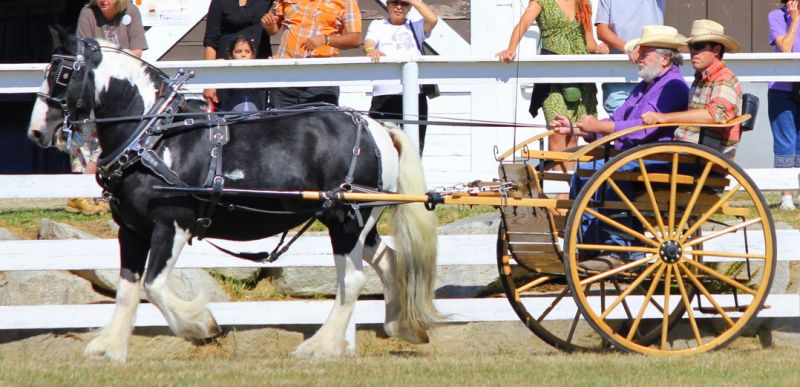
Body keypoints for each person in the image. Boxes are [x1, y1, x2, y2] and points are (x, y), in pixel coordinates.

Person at [550, 25, 690, 270]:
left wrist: (600, 128)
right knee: (587, 169)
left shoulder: (673, 86)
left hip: (657, 156)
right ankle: (584, 245)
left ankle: (621, 248)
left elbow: (644, 128)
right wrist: (577, 128)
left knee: (607, 170)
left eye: (644, 53)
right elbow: (618, 119)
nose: (638, 57)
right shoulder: (646, 85)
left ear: (665, 58)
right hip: (635, 155)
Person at [497, 0, 608, 173]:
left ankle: (566, 194)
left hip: (581, 75)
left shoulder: (584, 2)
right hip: (553, 76)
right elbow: (524, 23)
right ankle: (558, 189)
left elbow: (589, 41)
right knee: (557, 131)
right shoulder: (542, 1)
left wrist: (599, 49)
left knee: (574, 135)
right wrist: (511, 48)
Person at [72, 0, 148, 215]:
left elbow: (137, 51)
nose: (103, 0)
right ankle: (79, 193)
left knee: (112, 139)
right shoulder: (87, 13)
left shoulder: (131, 11)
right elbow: (82, 52)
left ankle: (98, 192)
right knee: (82, 135)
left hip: (122, 85)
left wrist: (112, 67)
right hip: (93, 82)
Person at [642, 19, 743, 162]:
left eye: (699, 46)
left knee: (628, 168)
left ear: (716, 50)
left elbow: (715, 115)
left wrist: (662, 117)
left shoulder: (724, 79)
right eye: (691, 46)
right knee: (629, 165)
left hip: (701, 159)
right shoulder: (701, 79)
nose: (693, 52)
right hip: (687, 153)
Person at [364, 0, 438, 154]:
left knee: (413, 147)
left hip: (414, 94)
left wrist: (414, 1)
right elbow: (369, 43)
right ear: (388, 5)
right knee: (379, 144)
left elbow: (433, 20)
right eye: (394, 3)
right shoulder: (378, 25)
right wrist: (371, 50)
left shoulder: (415, 25)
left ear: (409, 7)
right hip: (384, 93)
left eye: (403, 4)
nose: (398, 7)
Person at [261, 0, 362, 108]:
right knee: (280, 123)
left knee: (318, 124)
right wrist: (269, 25)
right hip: (285, 75)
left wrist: (326, 39)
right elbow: (273, 29)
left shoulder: (346, 1)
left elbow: (355, 39)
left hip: (320, 79)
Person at [595, 0, 665, 114]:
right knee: (621, 123)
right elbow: (602, 31)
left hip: (652, 74)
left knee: (649, 123)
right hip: (618, 76)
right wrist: (628, 47)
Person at [203, 0, 273, 109]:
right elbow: (211, 43)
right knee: (226, 116)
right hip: (227, 71)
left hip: (257, 72)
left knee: (257, 116)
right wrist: (209, 82)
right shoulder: (219, 2)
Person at [768, 0, 800, 210]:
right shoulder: (777, 16)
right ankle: (786, 195)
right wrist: (795, 19)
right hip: (782, 89)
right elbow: (786, 48)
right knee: (785, 143)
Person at [216, 36, 268, 113]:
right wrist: (218, 68)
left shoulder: (259, 73)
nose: (243, 54)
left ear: (252, 56)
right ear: (230, 56)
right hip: (231, 120)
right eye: (238, 51)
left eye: (247, 51)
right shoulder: (226, 72)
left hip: (255, 119)